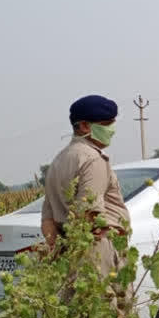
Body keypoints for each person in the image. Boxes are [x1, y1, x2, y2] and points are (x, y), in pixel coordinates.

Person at [41, 95, 129, 279]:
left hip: (68, 248)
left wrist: (60, 252)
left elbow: (48, 220)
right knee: (109, 305)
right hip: (96, 247)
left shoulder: (59, 160)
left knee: (78, 305)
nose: (112, 130)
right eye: (106, 124)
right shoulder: (92, 159)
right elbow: (88, 213)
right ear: (84, 126)